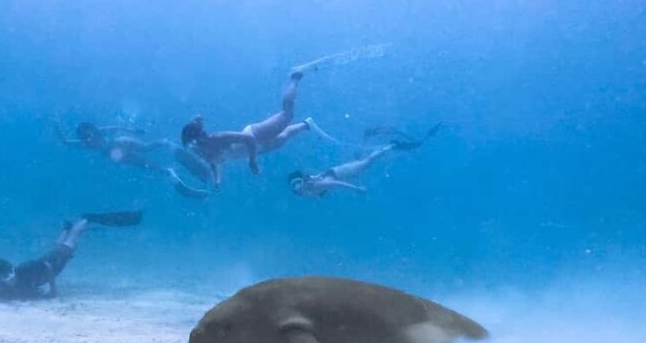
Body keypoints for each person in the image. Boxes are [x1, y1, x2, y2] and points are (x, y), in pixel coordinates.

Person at [180, 71, 311, 190]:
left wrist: (252, 161)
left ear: (197, 138)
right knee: (283, 138)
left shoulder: (218, 138)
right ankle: (306, 124)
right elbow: (214, 163)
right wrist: (217, 181)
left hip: (254, 135)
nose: (192, 149)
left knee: (287, 115)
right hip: (255, 149)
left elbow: (249, 139)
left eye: (192, 144)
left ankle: (295, 78)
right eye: (190, 147)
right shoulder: (202, 152)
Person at [0, 210, 142, 301]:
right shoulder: (1, 289)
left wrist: (53, 290)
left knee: (70, 244)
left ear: (14, 268)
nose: (10, 278)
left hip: (51, 265)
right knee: (58, 246)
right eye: (5, 277)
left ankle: (88, 218)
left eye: (11, 272)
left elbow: (46, 268)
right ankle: (66, 228)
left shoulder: (25, 269)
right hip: (46, 264)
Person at [54, 121, 209, 200]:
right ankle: (170, 173)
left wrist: (133, 130)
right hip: (118, 156)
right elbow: (66, 142)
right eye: (85, 135)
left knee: (147, 147)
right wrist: (58, 131)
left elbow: (116, 126)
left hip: (122, 143)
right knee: (149, 166)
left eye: (89, 133)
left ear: (92, 129)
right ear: (82, 136)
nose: (89, 137)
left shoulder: (100, 131)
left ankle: (165, 143)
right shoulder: (85, 144)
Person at [288, 123, 442, 198]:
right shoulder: (309, 189)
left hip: (341, 174)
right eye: (294, 186)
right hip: (338, 172)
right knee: (360, 160)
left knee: (366, 162)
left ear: (302, 181)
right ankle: (367, 136)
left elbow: (336, 183)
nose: (297, 188)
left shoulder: (316, 185)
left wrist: (357, 189)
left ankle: (392, 146)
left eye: (297, 183)